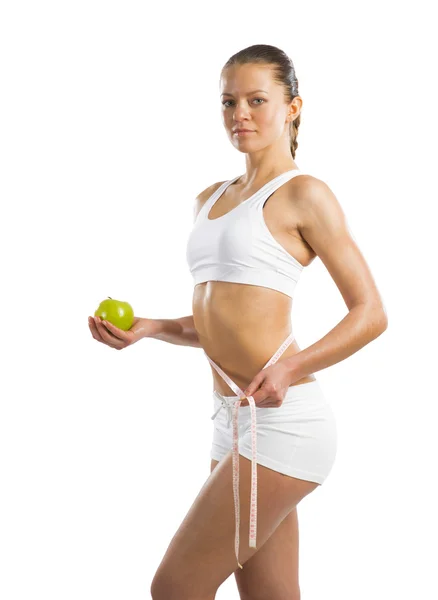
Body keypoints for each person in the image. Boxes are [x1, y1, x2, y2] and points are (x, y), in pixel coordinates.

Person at [88, 43, 388, 600]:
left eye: (257, 100)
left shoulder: (305, 194)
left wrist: (290, 367)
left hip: (284, 423)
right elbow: (219, 320)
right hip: (230, 420)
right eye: (229, 102)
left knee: (175, 587)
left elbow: (371, 313)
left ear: (293, 108)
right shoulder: (210, 198)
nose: (239, 115)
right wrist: (151, 327)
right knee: (270, 595)